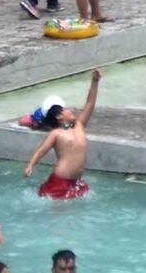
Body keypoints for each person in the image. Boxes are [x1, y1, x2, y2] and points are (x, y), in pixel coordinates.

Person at [24, 69, 101, 199]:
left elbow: (89, 105)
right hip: (60, 181)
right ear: (59, 116)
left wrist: (95, 81)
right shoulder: (56, 134)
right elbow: (41, 151)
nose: (69, 110)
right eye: (65, 109)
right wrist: (30, 165)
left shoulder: (79, 126)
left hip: (76, 182)